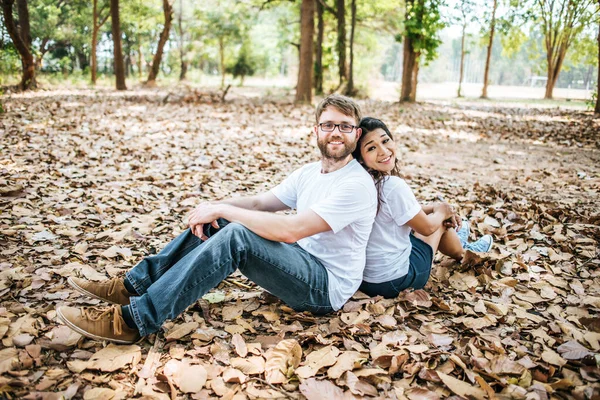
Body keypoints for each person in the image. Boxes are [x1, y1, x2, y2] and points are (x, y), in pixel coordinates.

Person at [57, 95, 377, 344]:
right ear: (316, 130)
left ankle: (132, 322)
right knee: (223, 222)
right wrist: (213, 206)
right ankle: (132, 286)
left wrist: (224, 211)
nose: (336, 133)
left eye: (345, 126)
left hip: (324, 287)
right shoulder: (310, 172)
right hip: (302, 262)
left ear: (356, 133)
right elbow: (260, 202)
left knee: (237, 233)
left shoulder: (355, 184)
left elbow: (292, 230)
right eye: (329, 125)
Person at [351, 117, 493, 298]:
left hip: (366, 281)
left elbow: (406, 209)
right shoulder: (392, 185)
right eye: (371, 148)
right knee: (439, 222)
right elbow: (426, 228)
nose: (383, 150)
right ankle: (464, 252)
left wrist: (436, 207)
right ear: (361, 158)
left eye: (385, 140)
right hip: (396, 281)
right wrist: (442, 212)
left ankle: (459, 240)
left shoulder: (361, 183)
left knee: (435, 215)